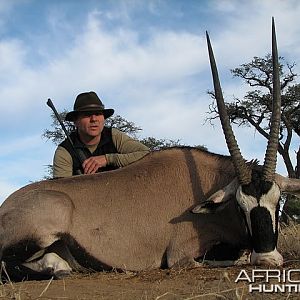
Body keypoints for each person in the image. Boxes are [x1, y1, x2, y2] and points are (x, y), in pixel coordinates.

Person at [53, 91, 150, 178]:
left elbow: (146, 153)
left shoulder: (114, 136)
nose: (94, 119)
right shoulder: (64, 151)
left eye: (98, 114)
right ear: (76, 121)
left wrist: (108, 159)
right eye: (87, 115)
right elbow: (61, 188)